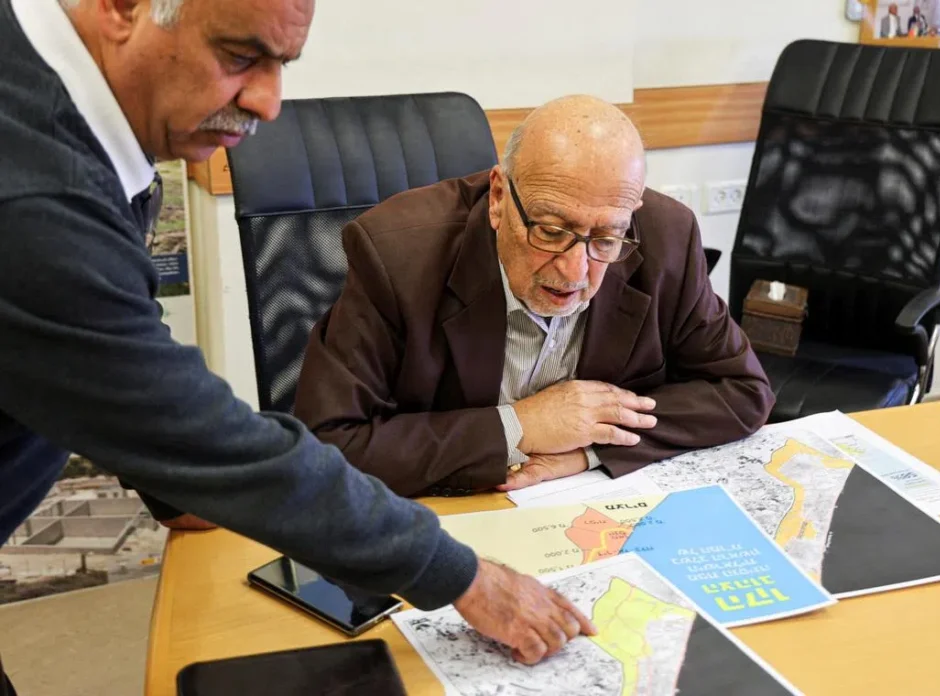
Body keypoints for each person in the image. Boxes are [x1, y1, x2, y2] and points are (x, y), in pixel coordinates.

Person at [0, 0, 594, 690]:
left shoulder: (58, 113)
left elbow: (117, 356)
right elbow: (188, 422)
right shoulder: (37, 201)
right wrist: (464, 578)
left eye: (282, 63)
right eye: (239, 56)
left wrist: (171, 479)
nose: (270, 102)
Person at [293, 95, 775, 498]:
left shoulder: (667, 240)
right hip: (443, 515)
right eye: (550, 231)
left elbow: (743, 391)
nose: (574, 271)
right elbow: (328, 446)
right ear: (499, 198)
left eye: (606, 239)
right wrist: (520, 426)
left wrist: (587, 448)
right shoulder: (397, 255)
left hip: (579, 509)